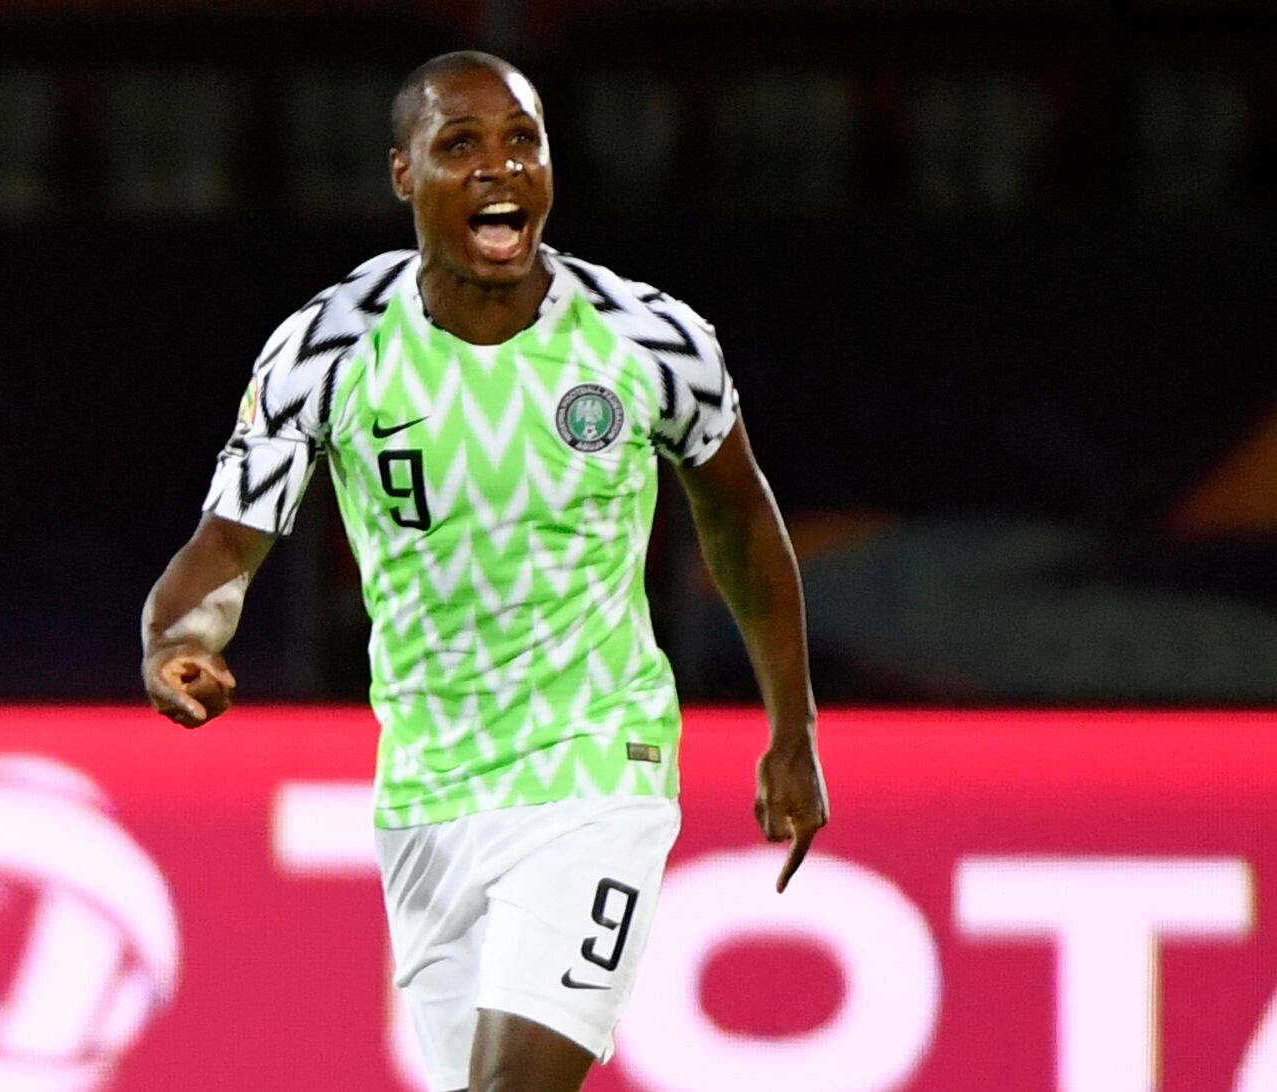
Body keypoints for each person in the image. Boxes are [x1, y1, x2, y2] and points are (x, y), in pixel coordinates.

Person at [142, 50, 829, 1092]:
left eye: (523, 143)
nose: (501, 170)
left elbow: (736, 516)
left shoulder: (649, 340)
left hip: (598, 763)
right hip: (427, 788)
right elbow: (226, 545)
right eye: (461, 146)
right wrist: (178, 641)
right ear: (403, 175)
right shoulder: (327, 351)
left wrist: (794, 727)